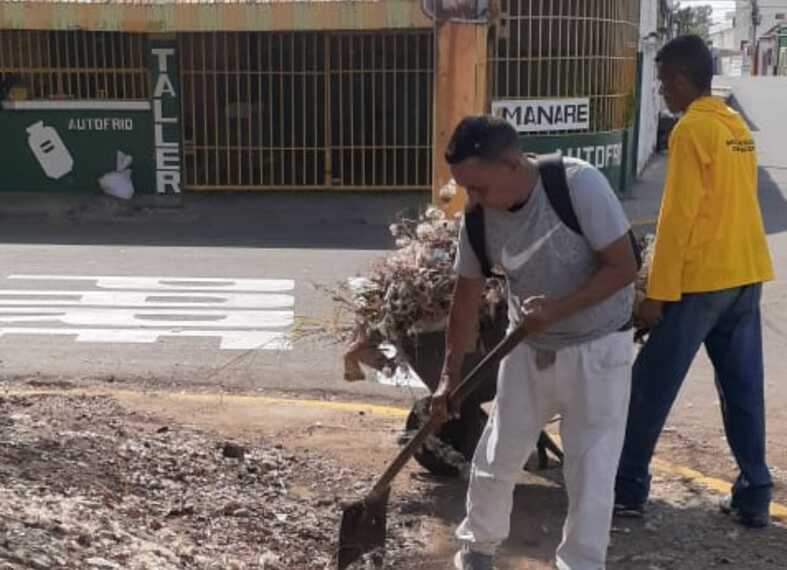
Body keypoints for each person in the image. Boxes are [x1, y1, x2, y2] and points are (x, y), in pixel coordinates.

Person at [430, 115, 638, 570]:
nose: (472, 199)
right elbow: (465, 299)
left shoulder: (578, 186)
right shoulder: (478, 218)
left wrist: (559, 309)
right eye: (465, 189)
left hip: (598, 348)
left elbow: (623, 267)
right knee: (498, 452)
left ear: (510, 164)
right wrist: (449, 376)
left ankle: (581, 564)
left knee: (591, 467)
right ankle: (478, 549)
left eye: (478, 187)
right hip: (526, 347)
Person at [614, 35, 775, 528]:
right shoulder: (734, 126)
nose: (662, 91)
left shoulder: (691, 130)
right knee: (742, 388)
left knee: (649, 386)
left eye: (664, 82)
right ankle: (755, 494)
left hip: (702, 281)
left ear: (682, 80)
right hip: (746, 273)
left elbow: (678, 217)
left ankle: (625, 489)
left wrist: (655, 295)